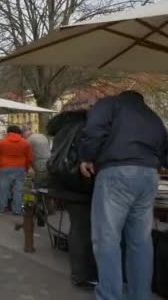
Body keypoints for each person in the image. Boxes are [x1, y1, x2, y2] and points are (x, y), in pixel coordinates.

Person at [79, 91, 168, 300]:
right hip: (148, 176)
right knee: (140, 240)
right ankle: (141, 295)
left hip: (116, 172)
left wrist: (87, 156)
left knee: (107, 239)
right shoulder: (153, 116)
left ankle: (110, 296)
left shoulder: (108, 105)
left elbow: (93, 130)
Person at [47, 110, 98, 290]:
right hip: (83, 183)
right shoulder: (87, 128)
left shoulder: (62, 130)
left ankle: (80, 273)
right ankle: (84, 274)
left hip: (65, 183)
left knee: (78, 227)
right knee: (85, 229)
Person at [0, 125, 33, 215]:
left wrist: (0, 165)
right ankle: (17, 210)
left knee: (4, 189)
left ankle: (2, 208)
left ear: (8, 132)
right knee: (18, 190)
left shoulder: (2, 142)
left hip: (5, 167)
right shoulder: (25, 143)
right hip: (20, 168)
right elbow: (29, 158)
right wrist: (26, 167)